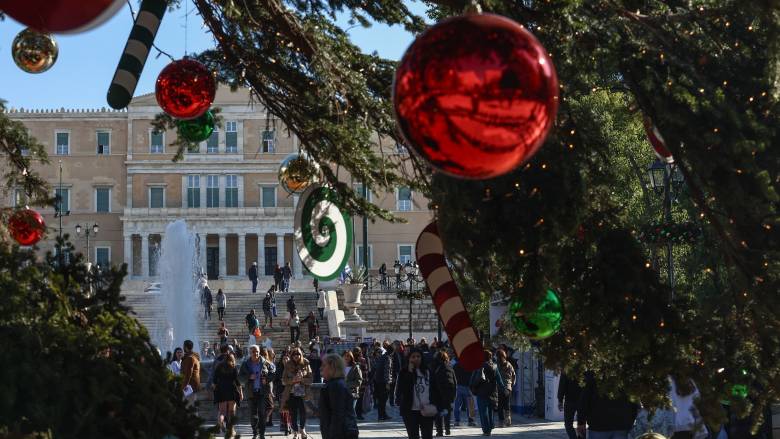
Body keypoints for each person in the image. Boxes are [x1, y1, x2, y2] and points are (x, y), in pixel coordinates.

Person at [576, 372, 639, 439]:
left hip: (599, 424)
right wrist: (630, 420)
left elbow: (584, 400)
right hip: (621, 424)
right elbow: (634, 400)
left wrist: (581, 422)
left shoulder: (594, 374)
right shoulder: (626, 373)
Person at [397, 348, 436, 439]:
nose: (416, 359)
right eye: (413, 357)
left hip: (426, 409)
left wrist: (436, 403)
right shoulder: (404, 372)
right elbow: (403, 389)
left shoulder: (428, 371)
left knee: (427, 436)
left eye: (418, 356)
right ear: (409, 359)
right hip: (410, 410)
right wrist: (410, 372)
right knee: (413, 436)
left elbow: (435, 389)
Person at [320, 353, 360, 439]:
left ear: (332, 367)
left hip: (341, 433)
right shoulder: (336, 383)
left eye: (324, 365)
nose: (321, 368)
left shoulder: (336, 385)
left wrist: (332, 435)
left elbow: (338, 414)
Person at [240, 344, 272, 439]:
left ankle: (262, 434)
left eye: (257, 351)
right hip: (251, 392)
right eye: (253, 351)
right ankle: (255, 432)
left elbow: (273, 373)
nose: (256, 353)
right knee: (253, 415)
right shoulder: (245, 364)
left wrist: (267, 379)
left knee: (262, 413)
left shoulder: (265, 363)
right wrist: (249, 377)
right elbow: (240, 378)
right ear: (250, 353)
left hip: (262, 392)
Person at [282, 347, 313, 439]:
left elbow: (311, 379)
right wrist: (292, 380)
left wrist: (302, 379)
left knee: (303, 412)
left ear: (301, 355)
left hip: (303, 393)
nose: (296, 356)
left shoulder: (306, 364)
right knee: (293, 413)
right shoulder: (287, 365)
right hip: (291, 393)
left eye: (298, 354)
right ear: (292, 356)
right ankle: (295, 431)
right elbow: (283, 380)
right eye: (294, 354)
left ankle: (302, 429)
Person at [471, 349, 503, 436]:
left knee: (483, 412)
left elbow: (474, 378)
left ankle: (486, 430)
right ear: (491, 357)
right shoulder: (495, 366)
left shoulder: (479, 366)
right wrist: (503, 389)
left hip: (482, 392)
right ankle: (491, 425)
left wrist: (472, 387)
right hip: (492, 392)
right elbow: (499, 380)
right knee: (490, 411)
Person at [212, 353, 242, 434]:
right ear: (232, 359)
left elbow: (214, 381)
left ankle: (220, 424)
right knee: (231, 411)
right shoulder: (234, 367)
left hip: (221, 390)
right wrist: (241, 392)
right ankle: (231, 430)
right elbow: (237, 381)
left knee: (222, 412)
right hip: (231, 390)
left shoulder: (219, 367)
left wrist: (215, 391)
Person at [431, 350, 456, 437]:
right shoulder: (450, 367)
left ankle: (440, 431)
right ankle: (448, 429)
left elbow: (432, 382)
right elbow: (454, 381)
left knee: (438, 413)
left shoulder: (435, 367)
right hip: (448, 394)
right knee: (447, 412)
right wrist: (453, 395)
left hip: (438, 394)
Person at [453, 355, 477, 427]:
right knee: (470, 405)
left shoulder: (456, 365)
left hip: (458, 386)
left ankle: (457, 421)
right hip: (468, 386)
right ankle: (471, 421)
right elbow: (473, 375)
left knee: (457, 405)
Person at [558, 372, 583, 439]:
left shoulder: (566, 367)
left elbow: (562, 384)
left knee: (568, 424)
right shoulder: (584, 365)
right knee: (581, 423)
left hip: (570, 400)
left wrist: (560, 400)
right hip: (582, 400)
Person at [372, 344, 394, 421]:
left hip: (378, 380)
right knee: (383, 399)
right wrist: (387, 383)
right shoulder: (388, 358)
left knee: (381, 399)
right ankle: (381, 415)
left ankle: (383, 414)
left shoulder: (382, 357)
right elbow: (387, 371)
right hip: (383, 382)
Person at [496, 349, 516, 428]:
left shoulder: (496, 365)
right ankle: (508, 421)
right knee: (507, 404)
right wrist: (512, 384)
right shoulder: (509, 364)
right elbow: (514, 375)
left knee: (500, 405)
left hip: (499, 387)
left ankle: (501, 422)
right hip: (508, 387)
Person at [181, 340, 201, 407]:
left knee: (188, 406)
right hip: (193, 385)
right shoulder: (195, 356)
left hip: (190, 386)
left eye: (183, 346)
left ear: (186, 347)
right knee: (192, 405)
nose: (183, 347)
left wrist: (184, 386)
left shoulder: (190, 358)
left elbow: (188, 374)